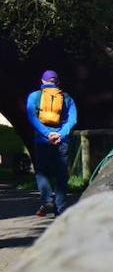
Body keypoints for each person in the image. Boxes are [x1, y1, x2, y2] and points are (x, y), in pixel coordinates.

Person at [26, 69, 77, 217]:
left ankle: (47, 199)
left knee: (42, 172)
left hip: (42, 140)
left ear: (42, 82)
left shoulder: (35, 96)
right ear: (58, 82)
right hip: (61, 141)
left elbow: (32, 117)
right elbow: (73, 119)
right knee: (61, 175)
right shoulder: (66, 98)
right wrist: (60, 134)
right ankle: (60, 209)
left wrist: (47, 134)